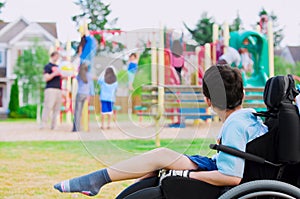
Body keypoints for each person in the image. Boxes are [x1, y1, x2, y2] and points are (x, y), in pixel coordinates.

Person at [54, 64, 268, 197]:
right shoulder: (248, 116)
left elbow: (231, 177)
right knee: (160, 159)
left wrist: (187, 176)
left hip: (221, 176)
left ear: (208, 100)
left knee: (161, 157)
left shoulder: (235, 125)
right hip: (215, 165)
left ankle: (96, 180)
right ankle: (102, 184)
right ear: (243, 92)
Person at [40, 51, 62, 130]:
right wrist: (54, 74)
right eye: (56, 56)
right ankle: (43, 124)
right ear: (52, 56)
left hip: (59, 89)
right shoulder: (48, 66)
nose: (57, 58)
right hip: (50, 89)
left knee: (57, 108)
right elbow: (46, 78)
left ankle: (54, 125)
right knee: (48, 107)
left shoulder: (60, 67)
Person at [72, 63, 95, 132]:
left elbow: (74, 77)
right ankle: (84, 127)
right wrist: (91, 94)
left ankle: (76, 128)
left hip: (80, 94)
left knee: (77, 112)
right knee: (83, 111)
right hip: (86, 95)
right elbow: (91, 86)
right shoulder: (89, 75)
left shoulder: (79, 76)